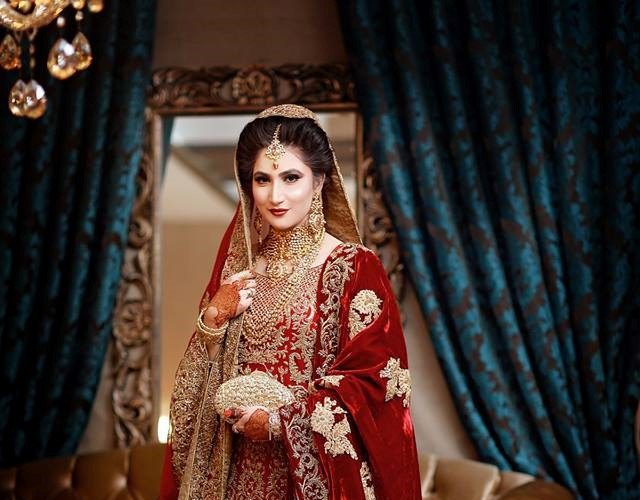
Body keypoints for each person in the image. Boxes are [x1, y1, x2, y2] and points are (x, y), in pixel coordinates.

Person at [160, 104, 421, 500]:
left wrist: (281, 422)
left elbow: (374, 385)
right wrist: (213, 318)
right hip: (237, 478)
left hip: (308, 480)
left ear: (319, 181)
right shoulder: (240, 272)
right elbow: (196, 392)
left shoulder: (352, 268)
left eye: (291, 178)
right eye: (262, 180)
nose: (275, 196)